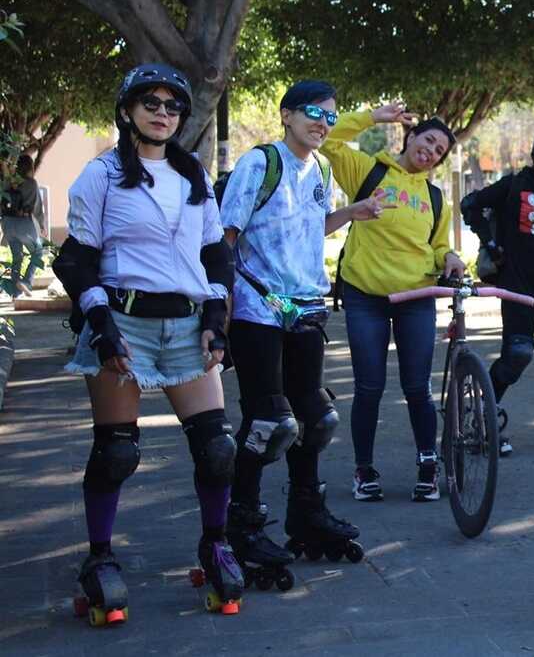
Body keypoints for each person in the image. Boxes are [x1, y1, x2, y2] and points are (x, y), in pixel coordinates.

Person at [54, 64, 243, 620]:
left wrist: (216, 314)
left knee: (217, 448)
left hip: (187, 324)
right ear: (128, 110)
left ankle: (215, 544)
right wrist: (101, 324)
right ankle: (99, 558)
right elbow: (77, 259)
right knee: (116, 452)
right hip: (124, 320)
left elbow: (215, 253)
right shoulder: (103, 174)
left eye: (173, 105)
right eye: (151, 103)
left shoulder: (195, 176)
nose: (163, 112)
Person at [222, 80, 389, 572]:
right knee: (268, 422)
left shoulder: (318, 167)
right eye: (313, 113)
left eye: (331, 117)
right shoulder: (260, 163)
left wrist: (352, 213)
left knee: (314, 419)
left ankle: (306, 513)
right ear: (287, 115)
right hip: (258, 311)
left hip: (307, 308)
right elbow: (225, 237)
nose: (322, 123)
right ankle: (242, 524)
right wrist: (221, 305)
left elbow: (310, 227)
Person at [319, 101, 464, 503]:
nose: (431, 152)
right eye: (429, 141)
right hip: (365, 296)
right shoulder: (370, 171)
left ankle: (428, 465)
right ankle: (363, 470)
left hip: (416, 297)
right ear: (412, 136)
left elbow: (436, 248)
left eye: (439, 152)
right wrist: (372, 118)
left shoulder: (436, 199)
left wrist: (449, 257)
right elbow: (327, 138)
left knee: (418, 388)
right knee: (369, 387)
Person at [460, 127, 534, 456]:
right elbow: (470, 205)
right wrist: (491, 242)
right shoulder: (514, 184)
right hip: (518, 285)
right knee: (518, 353)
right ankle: (482, 413)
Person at [3, 153, 46, 295]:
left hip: (7, 224)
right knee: (38, 252)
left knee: (17, 257)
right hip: (24, 224)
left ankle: (15, 293)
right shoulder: (31, 183)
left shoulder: (8, 182)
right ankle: (25, 282)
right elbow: (37, 208)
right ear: (30, 167)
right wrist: (42, 224)